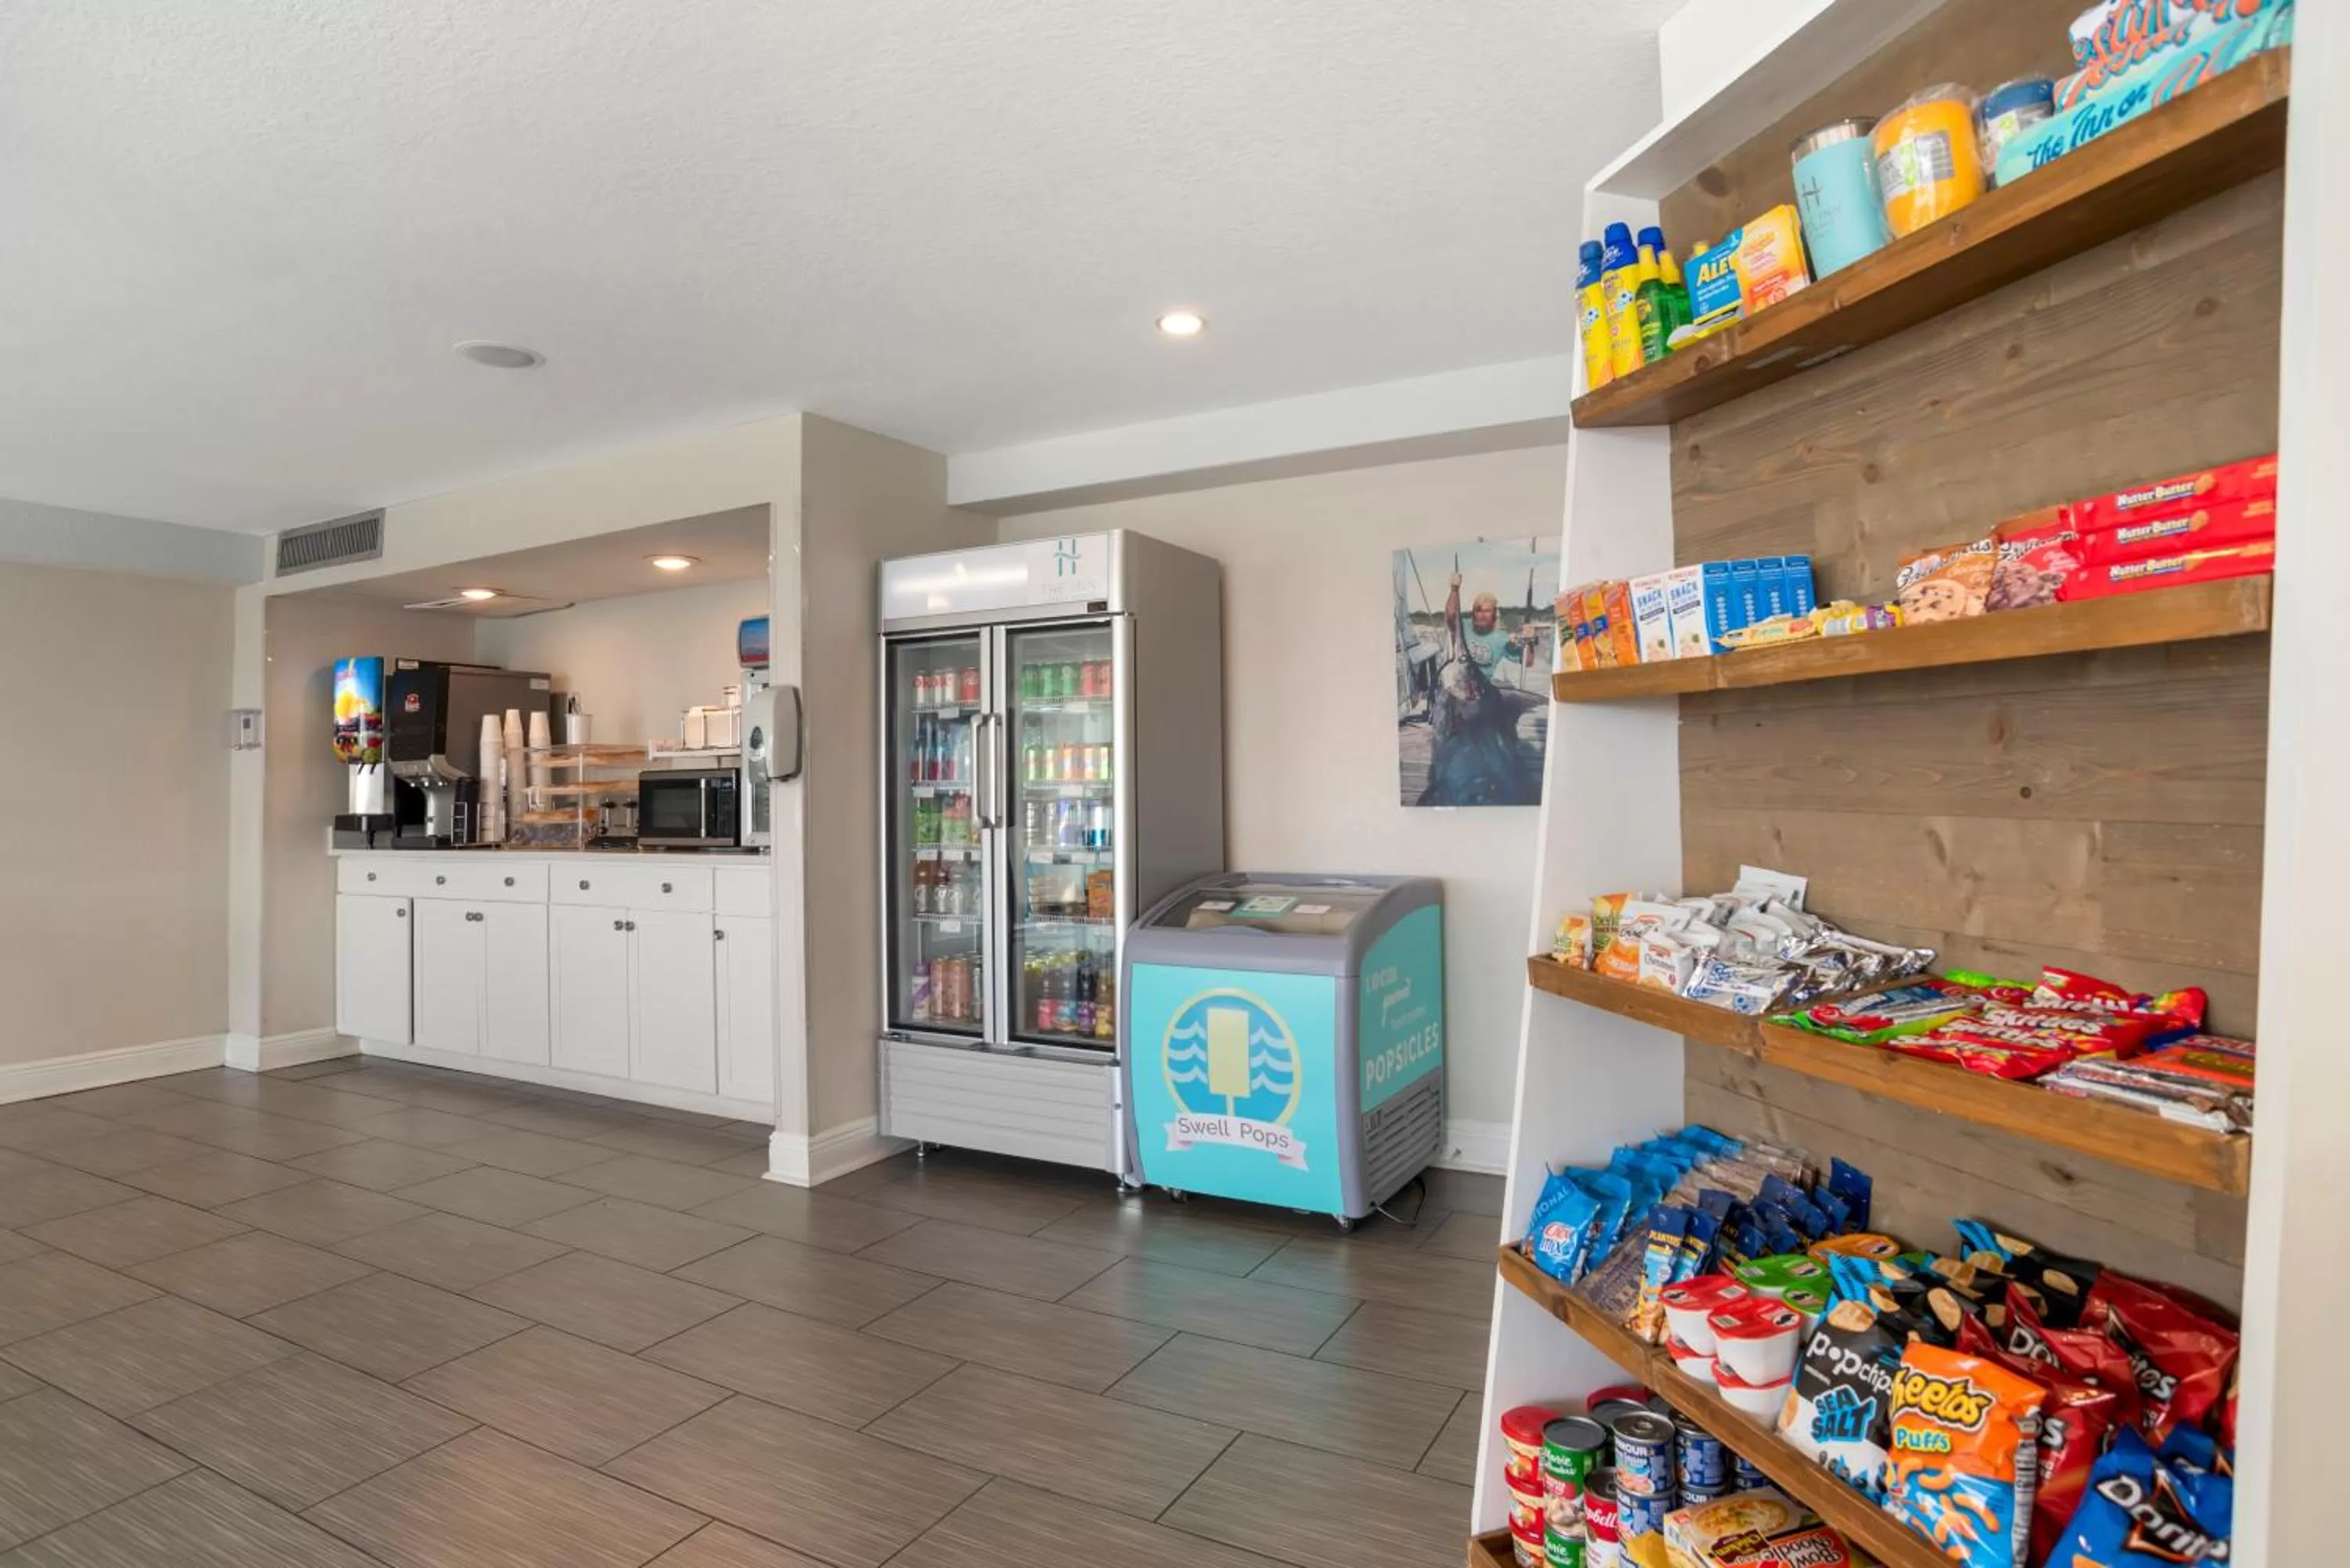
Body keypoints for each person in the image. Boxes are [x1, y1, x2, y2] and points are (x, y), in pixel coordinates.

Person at [1447, 570, 1540, 688]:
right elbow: (1450, 616)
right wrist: (1454, 589)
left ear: (1494, 615)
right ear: (1473, 613)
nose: (1482, 616)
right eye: (1478, 611)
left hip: (1480, 690)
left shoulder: (1501, 638)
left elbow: (1528, 662)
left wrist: (1529, 643)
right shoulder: (1463, 627)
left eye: (1487, 611)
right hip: (1458, 684)